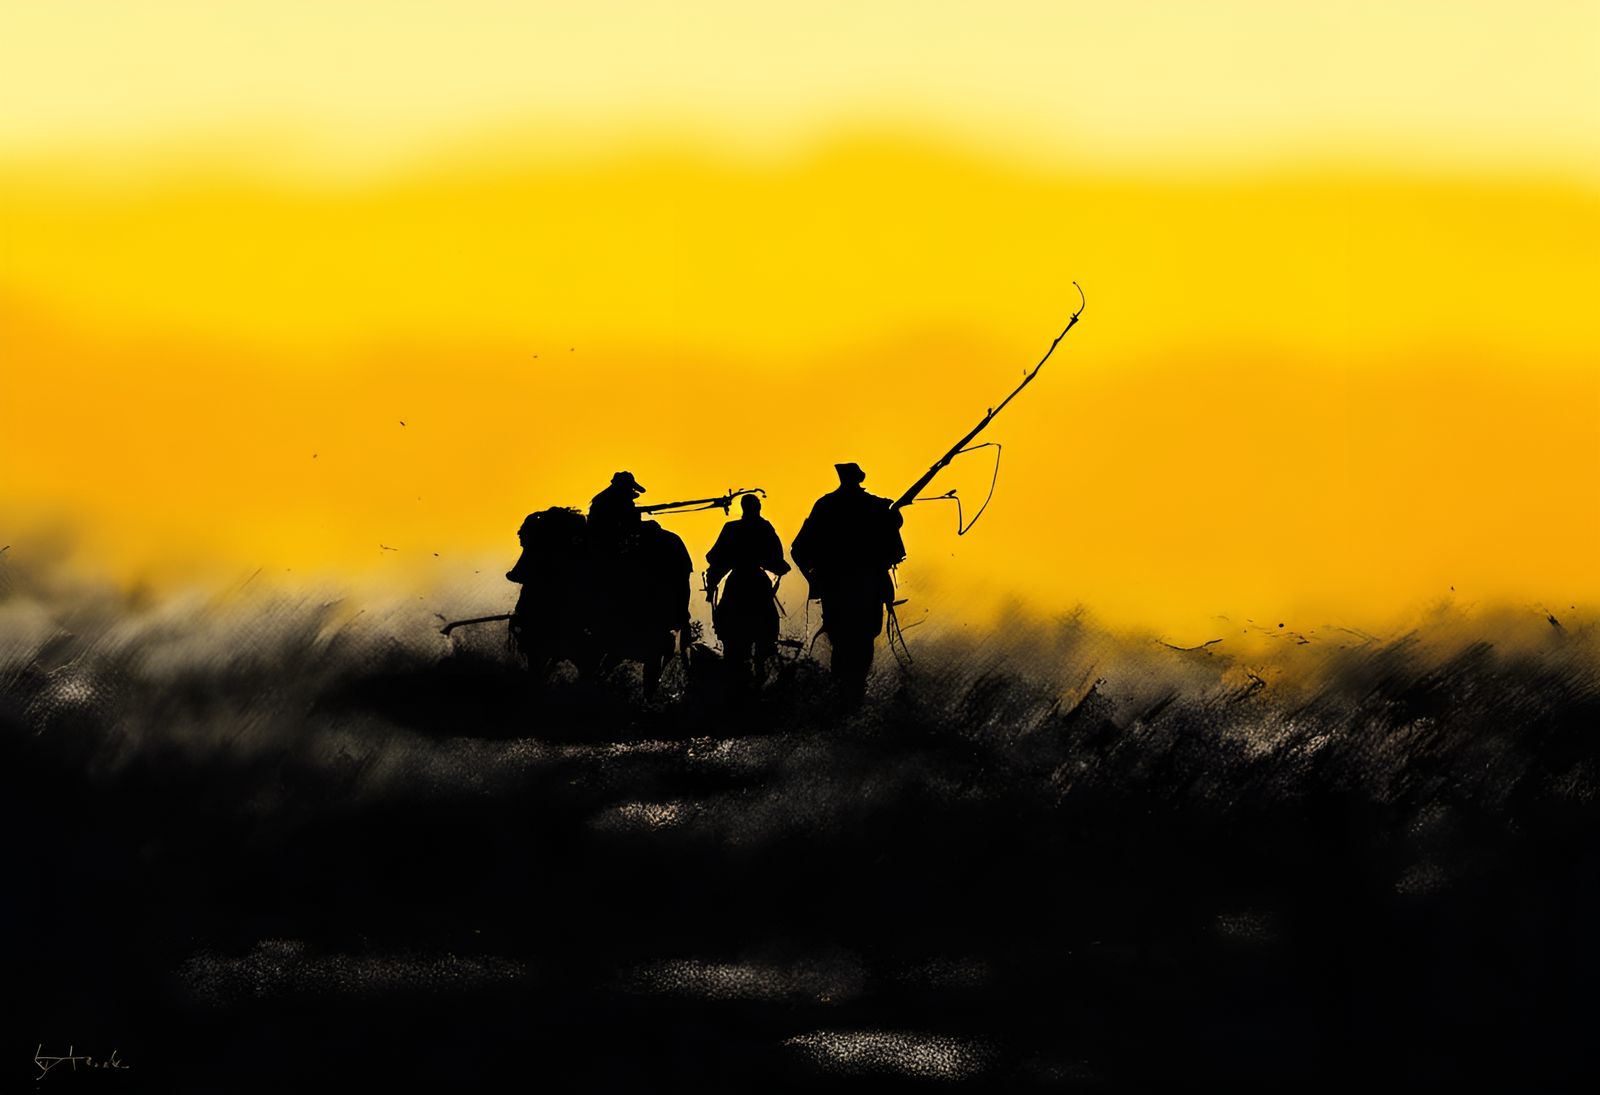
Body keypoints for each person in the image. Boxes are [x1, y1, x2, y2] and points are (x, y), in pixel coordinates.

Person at [789, 463, 905, 696]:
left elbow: (798, 549)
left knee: (841, 642)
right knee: (864, 640)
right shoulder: (876, 505)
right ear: (858, 479)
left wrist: (813, 580)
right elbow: (895, 537)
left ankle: (840, 692)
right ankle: (853, 691)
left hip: (836, 586)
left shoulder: (825, 505)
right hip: (867, 585)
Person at [705, 494, 791, 685]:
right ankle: (758, 678)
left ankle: (737, 682)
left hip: (737, 585)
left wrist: (712, 584)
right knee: (765, 636)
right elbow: (777, 561)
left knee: (732, 639)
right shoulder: (764, 528)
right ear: (756, 507)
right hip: (757, 586)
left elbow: (715, 558)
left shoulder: (732, 529)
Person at [588, 471, 646, 554]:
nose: (631, 489)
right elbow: (623, 517)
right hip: (608, 537)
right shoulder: (610, 499)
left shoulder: (605, 497)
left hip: (611, 535)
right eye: (629, 487)